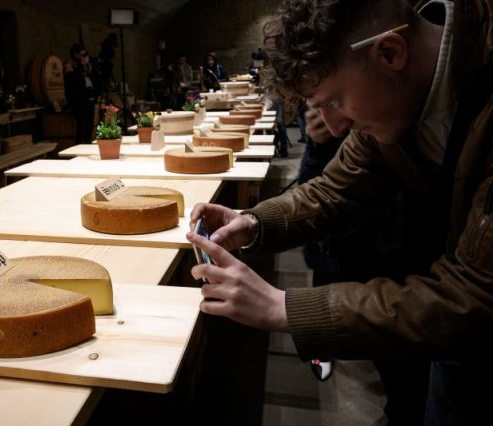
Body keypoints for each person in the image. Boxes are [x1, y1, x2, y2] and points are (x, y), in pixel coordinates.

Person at [187, 1, 493, 424]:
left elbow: (476, 296)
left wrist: (285, 307)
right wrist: (256, 223)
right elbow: (338, 188)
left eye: (334, 102)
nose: (332, 128)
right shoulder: (391, 95)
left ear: (389, 52)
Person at [299, 108, 430, 423]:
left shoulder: (387, 124)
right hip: (335, 252)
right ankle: (322, 351)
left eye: (334, 100)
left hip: (388, 263)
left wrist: (287, 310)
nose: (330, 118)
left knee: (403, 376)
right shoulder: (345, 126)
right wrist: (316, 145)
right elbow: (316, 188)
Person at [64, 44, 100, 144]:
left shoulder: (86, 68)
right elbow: (75, 87)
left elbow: (94, 83)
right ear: (76, 55)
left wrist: (90, 69)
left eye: (86, 55)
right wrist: (81, 66)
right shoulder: (71, 68)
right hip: (80, 103)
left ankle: (87, 146)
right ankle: (80, 148)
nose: (85, 58)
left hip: (90, 101)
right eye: (82, 55)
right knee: (81, 129)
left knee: (89, 129)